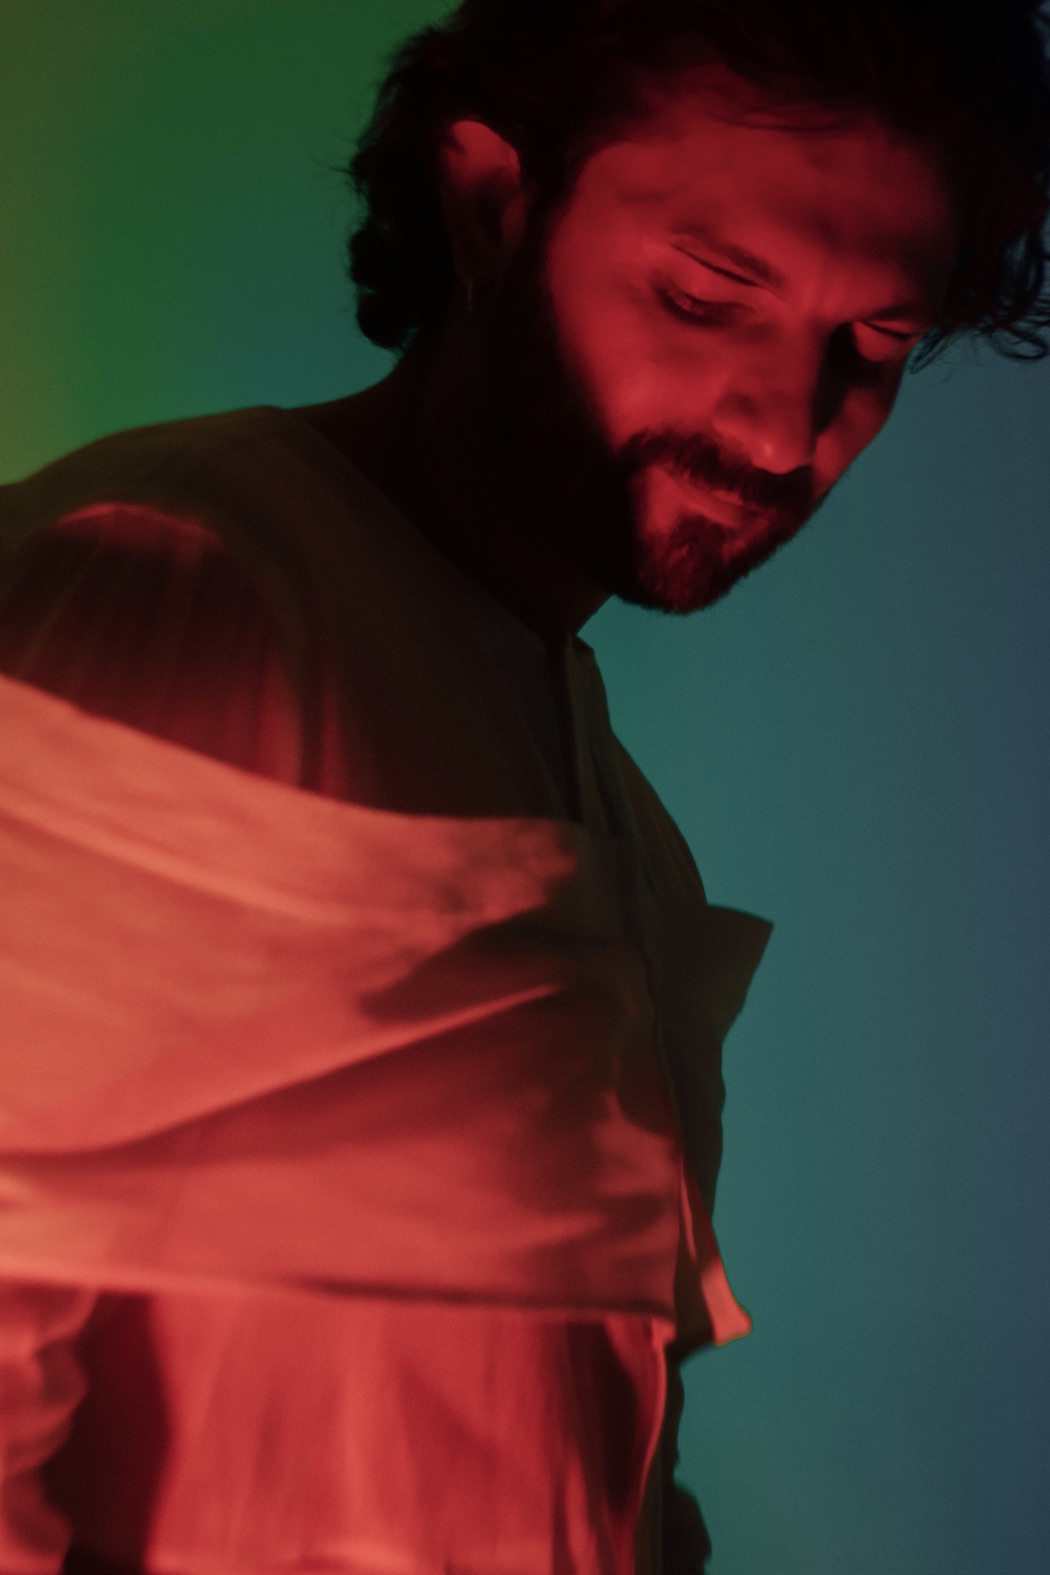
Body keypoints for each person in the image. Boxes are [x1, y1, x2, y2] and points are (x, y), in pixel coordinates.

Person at [0, 1, 1048, 1572]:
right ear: (491, 205)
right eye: (705, 295)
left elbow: (576, 1463)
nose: (784, 424)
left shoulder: (603, 795)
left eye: (874, 346)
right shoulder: (180, 588)